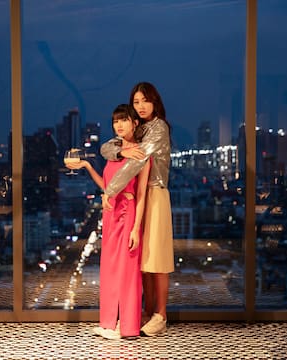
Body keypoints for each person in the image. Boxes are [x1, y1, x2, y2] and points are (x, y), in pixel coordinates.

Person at [66, 104, 150, 339]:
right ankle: (109, 324)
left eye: (123, 120)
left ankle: (128, 325)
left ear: (134, 123)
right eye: (115, 121)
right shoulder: (114, 152)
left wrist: (136, 228)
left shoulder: (142, 154)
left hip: (128, 212)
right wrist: (87, 166)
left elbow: (142, 194)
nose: (119, 125)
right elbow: (106, 187)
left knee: (128, 271)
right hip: (111, 215)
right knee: (110, 270)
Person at [101, 82, 174, 336]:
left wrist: (109, 191)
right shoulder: (137, 128)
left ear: (155, 102)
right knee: (140, 259)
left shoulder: (159, 129)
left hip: (155, 194)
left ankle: (160, 315)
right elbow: (106, 148)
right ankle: (145, 310)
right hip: (136, 198)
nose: (141, 106)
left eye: (145, 101)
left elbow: (138, 161)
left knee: (158, 258)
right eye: (136, 102)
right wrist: (121, 151)